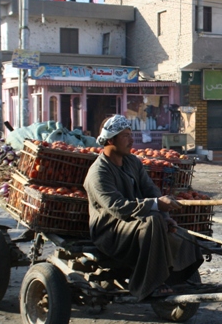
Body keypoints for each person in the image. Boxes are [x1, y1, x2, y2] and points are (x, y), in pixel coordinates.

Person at [84, 115, 203, 300]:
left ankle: (177, 277)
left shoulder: (133, 162)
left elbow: (150, 190)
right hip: (111, 231)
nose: (131, 140)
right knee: (153, 222)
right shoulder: (99, 172)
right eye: (125, 136)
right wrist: (156, 206)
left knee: (179, 233)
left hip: (136, 222)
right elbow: (117, 208)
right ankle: (149, 284)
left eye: (131, 135)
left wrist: (165, 215)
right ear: (110, 139)